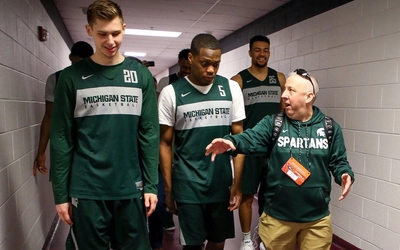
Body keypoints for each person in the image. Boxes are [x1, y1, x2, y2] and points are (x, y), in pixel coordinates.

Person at [50, 0, 159, 249]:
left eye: (116, 33)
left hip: (131, 188)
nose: (110, 41)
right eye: (102, 34)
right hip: (87, 190)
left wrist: (152, 185)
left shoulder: (140, 75)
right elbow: (61, 139)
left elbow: (149, 134)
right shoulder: (71, 78)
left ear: (124, 28)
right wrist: (60, 194)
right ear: (89, 31)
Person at [205, 69, 354, 250]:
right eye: (284, 89)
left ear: (308, 97)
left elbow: (338, 161)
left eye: (291, 90)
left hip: (317, 220)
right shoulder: (273, 123)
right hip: (277, 218)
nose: (283, 95)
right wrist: (231, 142)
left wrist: (344, 174)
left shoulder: (329, 127)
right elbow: (251, 137)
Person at [158, 33, 245, 250]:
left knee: (217, 241)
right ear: (191, 58)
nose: (211, 70)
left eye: (216, 64)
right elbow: (165, 143)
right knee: (193, 245)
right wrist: (169, 190)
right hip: (188, 184)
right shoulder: (171, 93)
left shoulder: (231, 89)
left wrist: (237, 184)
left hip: (220, 182)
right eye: (205, 63)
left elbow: (239, 141)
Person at [230, 35, 286, 250]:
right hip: (250, 148)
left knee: (270, 196)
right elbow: (236, 120)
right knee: (246, 195)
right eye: (257, 50)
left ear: (269, 52)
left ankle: (264, 237)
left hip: (272, 150)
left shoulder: (279, 78)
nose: (261, 54)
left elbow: (282, 115)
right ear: (250, 52)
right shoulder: (239, 80)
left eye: (266, 50)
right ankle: (246, 239)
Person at [33, 41, 93, 176]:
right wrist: (41, 152)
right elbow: (49, 116)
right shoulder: (56, 79)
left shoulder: (97, 80)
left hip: (91, 142)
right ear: (71, 57)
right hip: (66, 142)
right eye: (79, 61)